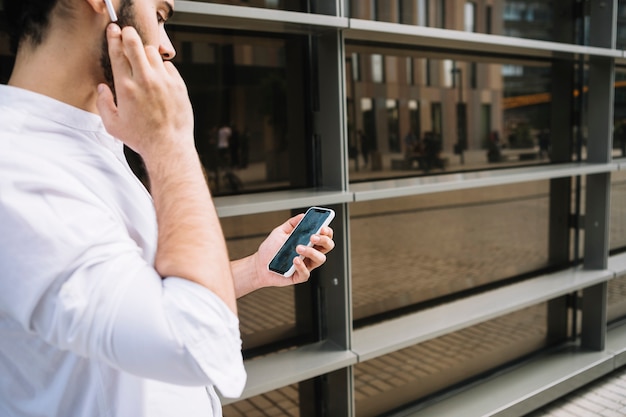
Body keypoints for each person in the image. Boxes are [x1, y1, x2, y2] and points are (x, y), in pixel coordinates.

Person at [0, 1, 335, 417]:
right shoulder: (16, 167)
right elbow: (198, 349)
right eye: (158, 15)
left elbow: (139, 297)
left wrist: (252, 270)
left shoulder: (92, 141)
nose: (168, 47)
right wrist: (172, 144)